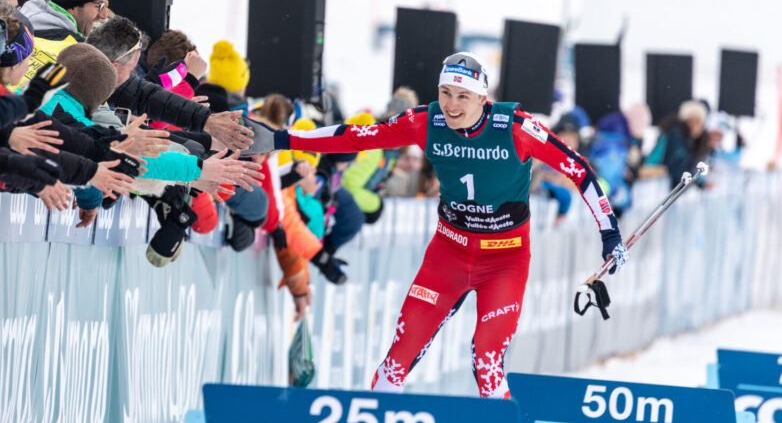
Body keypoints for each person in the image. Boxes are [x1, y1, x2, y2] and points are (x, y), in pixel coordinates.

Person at [257, 53, 627, 397]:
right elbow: (354, 137)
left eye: (463, 96)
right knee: (398, 359)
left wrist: (609, 231)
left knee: (487, 361)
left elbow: (579, 170)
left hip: (505, 261)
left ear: (483, 99)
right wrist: (280, 138)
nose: (451, 105)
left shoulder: (517, 128)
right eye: (445, 93)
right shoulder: (426, 122)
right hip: (448, 256)